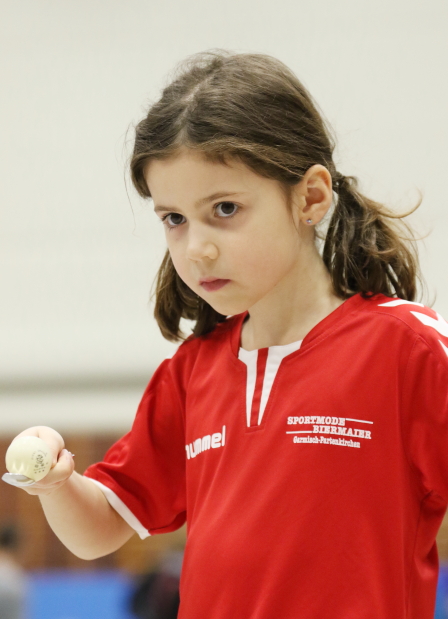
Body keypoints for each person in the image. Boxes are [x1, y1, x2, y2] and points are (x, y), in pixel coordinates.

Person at [3, 50, 448, 619]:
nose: (197, 248)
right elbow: (103, 525)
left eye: (226, 208)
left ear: (310, 198)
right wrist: (56, 484)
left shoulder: (408, 350)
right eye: (174, 219)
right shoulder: (192, 372)